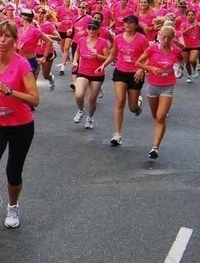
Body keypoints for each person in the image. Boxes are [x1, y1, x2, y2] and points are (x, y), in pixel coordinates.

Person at [0, 21, 39, 229]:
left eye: (7, 36)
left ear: (14, 40)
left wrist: (9, 91)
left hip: (21, 125)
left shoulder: (21, 64)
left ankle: (13, 206)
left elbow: (34, 99)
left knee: (13, 171)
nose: (2, 40)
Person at [135, 24, 183, 160]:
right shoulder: (152, 49)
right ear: (159, 36)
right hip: (153, 85)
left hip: (168, 85)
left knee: (161, 117)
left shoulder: (176, 51)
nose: (166, 40)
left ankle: (155, 148)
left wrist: (179, 68)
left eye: (169, 38)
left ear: (173, 38)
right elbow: (138, 63)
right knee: (155, 116)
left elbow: (180, 59)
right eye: (164, 37)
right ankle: (139, 101)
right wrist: (150, 68)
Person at [102, 15, 149, 146]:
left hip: (136, 73)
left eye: (131, 23)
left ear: (136, 25)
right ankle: (117, 134)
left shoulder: (142, 39)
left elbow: (148, 56)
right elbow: (113, 54)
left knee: (132, 108)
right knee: (120, 101)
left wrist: (142, 69)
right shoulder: (118, 38)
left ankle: (138, 103)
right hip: (121, 72)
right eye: (125, 23)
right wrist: (102, 65)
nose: (127, 25)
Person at [71, 20, 112, 129]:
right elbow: (77, 52)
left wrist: (98, 55)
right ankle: (81, 110)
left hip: (97, 73)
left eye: (94, 28)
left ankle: (90, 117)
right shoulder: (81, 40)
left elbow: (108, 58)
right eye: (89, 28)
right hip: (83, 71)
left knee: (92, 99)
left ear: (99, 30)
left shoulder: (102, 42)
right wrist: (75, 61)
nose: (91, 30)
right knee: (79, 94)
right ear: (86, 29)